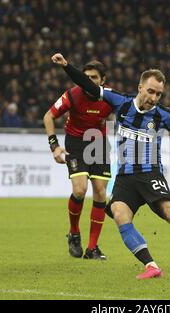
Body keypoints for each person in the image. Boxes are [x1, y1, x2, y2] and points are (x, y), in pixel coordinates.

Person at [51, 53, 170, 280]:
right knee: (120, 214)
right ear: (140, 87)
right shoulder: (120, 102)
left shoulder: (163, 115)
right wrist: (66, 66)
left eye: (158, 94)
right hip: (125, 178)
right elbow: (88, 85)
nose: (154, 97)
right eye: (150, 91)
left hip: (150, 174)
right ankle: (151, 266)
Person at [43, 60, 113, 260]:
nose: (88, 81)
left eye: (93, 78)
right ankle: (74, 232)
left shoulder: (109, 96)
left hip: (98, 144)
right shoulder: (73, 94)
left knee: (100, 193)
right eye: (86, 77)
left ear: (103, 80)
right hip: (76, 142)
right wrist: (54, 146)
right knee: (80, 190)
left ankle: (92, 249)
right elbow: (48, 116)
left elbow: (124, 115)